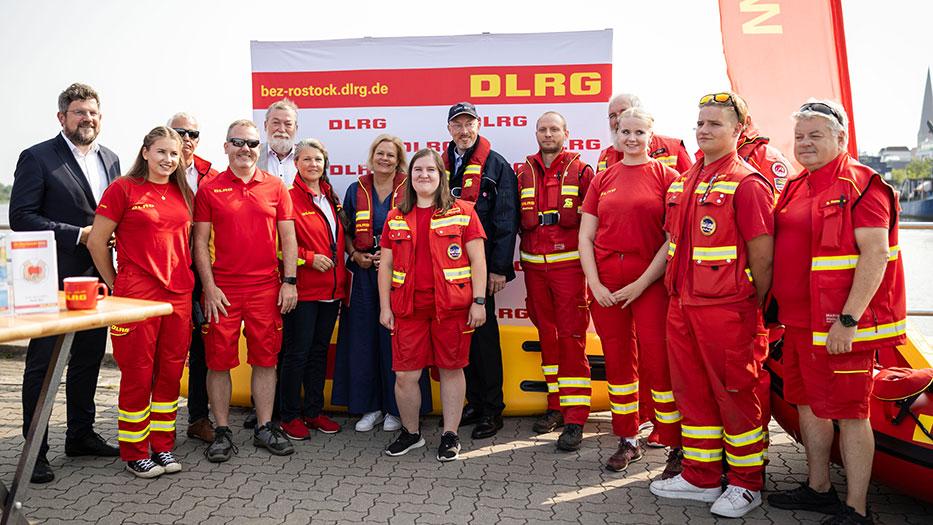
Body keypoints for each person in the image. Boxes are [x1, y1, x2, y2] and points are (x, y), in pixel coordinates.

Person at [767, 100, 905, 525]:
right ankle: (819, 488)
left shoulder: (863, 184)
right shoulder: (795, 184)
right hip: (798, 323)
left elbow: (876, 255)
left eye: (816, 135)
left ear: (841, 138)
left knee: (851, 413)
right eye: (800, 136)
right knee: (807, 405)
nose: (805, 144)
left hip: (841, 326)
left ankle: (856, 509)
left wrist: (848, 320)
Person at [649, 92, 774, 519]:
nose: (703, 130)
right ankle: (701, 477)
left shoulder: (748, 182)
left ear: (739, 130)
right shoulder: (685, 179)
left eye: (714, 124)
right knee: (692, 392)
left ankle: (745, 483)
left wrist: (754, 308)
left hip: (729, 311)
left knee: (735, 393)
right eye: (700, 123)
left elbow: (763, 256)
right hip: (682, 303)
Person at [10, 82, 121, 484]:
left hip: (96, 278)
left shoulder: (111, 158)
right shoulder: (37, 157)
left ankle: (80, 435)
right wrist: (79, 233)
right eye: (78, 112)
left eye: (92, 112)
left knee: (89, 359)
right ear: (62, 118)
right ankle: (34, 451)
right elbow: (22, 216)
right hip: (50, 282)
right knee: (42, 365)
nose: (86, 118)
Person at [579, 108, 683, 475]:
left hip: (650, 284)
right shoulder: (602, 178)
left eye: (639, 132)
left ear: (651, 136)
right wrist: (595, 284)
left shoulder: (668, 177)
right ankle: (627, 438)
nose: (632, 138)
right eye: (625, 131)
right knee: (619, 362)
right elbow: (585, 236)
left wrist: (641, 284)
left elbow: (672, 240)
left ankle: (673, 440)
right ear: (616, 134)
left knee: (659, 361)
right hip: (607, 286)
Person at [87, 126, 194, 478]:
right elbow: (97, 242)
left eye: (174, 154)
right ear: (145, 152)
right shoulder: (123, 189)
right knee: (137, 373)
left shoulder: (184, 192)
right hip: (136, 296)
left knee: (170, 373)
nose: (168, 159)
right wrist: (116, 284)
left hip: (178, 294)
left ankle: (162, 446)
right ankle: (134, 451)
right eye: (161, 151)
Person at [193, 119, 298, 461]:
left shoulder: (275, 187)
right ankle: (222, 431)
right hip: (222, 291)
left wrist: (290, 281)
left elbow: (288, 238)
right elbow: (199, 242)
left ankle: (264, 427)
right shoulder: (210, 188)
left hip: (265, 289)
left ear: (260, 149)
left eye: (252, 144)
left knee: (266, 360)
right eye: (237, 142)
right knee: (219, 362)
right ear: (225, 146)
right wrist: (208, 287)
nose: (245, 149)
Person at [378, 149, 487, 461]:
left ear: (441, 176)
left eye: (430, 170)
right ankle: (412, 434)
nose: (423, 175)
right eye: (417, 171)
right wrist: (385, 307)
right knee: (405, 375)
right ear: (410, 178)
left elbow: (478, 260)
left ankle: (450, 435)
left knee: (451, 370)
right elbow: (385, 266)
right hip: (407, 309)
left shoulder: (464, 211)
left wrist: (479, 302)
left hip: (451, 309)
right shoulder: (394, 216)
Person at [332, 134, 431, 432]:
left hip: (401, 274)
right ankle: (369, 407)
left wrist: (388, 258)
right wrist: (354, 254)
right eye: (380, 153)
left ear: (399, 158)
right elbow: (345, 229)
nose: (385, 158)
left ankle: (397, 409)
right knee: (362, 341)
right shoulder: (355, 188)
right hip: (362, 273)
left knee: (398, 341)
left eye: (391, 154)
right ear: (372, 155)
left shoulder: (409, 188)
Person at [515, 112, 594, 451]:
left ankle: (575, 417)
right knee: (547, 337)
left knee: (572, 338)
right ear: (536, 133)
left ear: (566, 132)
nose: (548, 134)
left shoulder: (582, 170)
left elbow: (595, 222)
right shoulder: (522, 172)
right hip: (534, 269)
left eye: (554, 129)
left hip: (570, 270)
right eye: (542, 129)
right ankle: (555, 407)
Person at [442, 102, 519, 439]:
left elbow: (506, 220)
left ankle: (492, 409)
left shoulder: (496, 165)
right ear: (449, 129)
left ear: (479, 125)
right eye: (457, 125)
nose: (463, 131)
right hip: (448, 268)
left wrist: (499, 269)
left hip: (481, 267)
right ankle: (473, 402)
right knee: (461, 339)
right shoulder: (440, 165)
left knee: (484, 339)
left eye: (468, 124)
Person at [278, 139, 346, 439]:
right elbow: (277, 246)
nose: (313, 165)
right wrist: (306, 259)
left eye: (318, 160)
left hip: (332, 292)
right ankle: (289, 415)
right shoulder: (288, 197)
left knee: (319, 353)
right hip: (303, 291)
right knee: (297, 354)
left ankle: (314, 411)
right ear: (296, 163)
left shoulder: (331, 197)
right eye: (307, 159)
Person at [167, 112, 218, 444]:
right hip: (164, 273)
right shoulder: (155, 168)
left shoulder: (211, 174)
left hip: (202, 273)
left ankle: (199, 418)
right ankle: (161, 423)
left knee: (203, 350)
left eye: (193, 134)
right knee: (165, 351)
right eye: (180, 131)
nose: (187, 138)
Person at [597, 93, 693, 174]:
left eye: (624, 112)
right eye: (612, 115)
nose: (618, 119)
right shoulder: (605, 157)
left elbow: (690, 187)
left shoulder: (673, 148)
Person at [258, 98, 299, 186]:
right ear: (265, 125)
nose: (281, 129)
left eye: (288, 124)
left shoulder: (306, 157)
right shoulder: (253, 156)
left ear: (296, 128)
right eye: (276, 123)